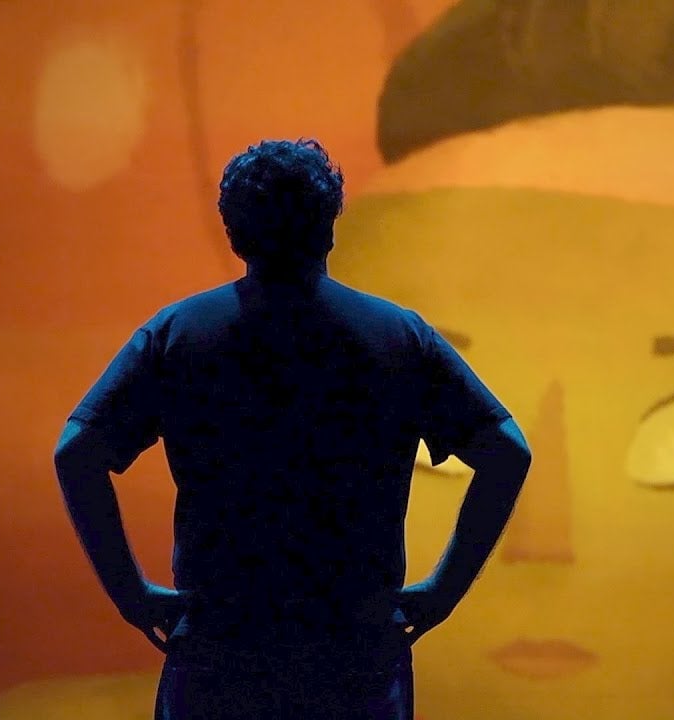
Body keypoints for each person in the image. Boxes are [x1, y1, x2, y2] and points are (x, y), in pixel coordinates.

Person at [53, 138, 531, 720]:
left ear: (234, 233)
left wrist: (130, 594)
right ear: (329, 228)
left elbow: (78, 451)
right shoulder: (398, 337)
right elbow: (506, 451)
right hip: (355, 655)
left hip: (219, 650)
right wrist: (443, 590)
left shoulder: (178, 334)